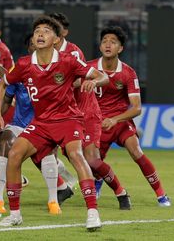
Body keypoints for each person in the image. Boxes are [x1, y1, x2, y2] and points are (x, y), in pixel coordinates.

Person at [0, 16, 108, 231]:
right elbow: (2, 83)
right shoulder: (24, 64)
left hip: (68, 119)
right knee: (14, 155)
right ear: (33, 40)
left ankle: (92, 212)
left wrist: (93, 80)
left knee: (75, 155)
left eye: (46, 31)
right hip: (42, 122)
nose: (40, 34)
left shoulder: (69, 60)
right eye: (37, 32)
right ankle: (15, 214)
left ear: (56, 39)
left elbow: (102, 76)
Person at [50, 13, 131, 210]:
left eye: (51, 30)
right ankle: (62, 188)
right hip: (62, 113)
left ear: (60, 34)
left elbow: (80, 79)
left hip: (85, 110)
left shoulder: (73, 53)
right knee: (54, 154)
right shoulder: (40, 54)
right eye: (43, 30)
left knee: (92, 160)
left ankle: (121, 192)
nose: (46, 34)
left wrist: (83, 82)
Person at [0, 35, 74, 216]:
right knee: (4, 143)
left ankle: (53, 201)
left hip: (45, 125)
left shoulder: (58, 70)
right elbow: (6, 97)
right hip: (20, 125)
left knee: (48, 154)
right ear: (29, 49)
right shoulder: (21, 69)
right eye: (33, 45)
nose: (37, 48)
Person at [88, 26, 171, 207]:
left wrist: (115, 119)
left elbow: (136, 108)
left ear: (120, 48)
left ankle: (161, 195)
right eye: (104, 41)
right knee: (94, 163)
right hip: (97, 124)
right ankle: (100, 179)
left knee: (136, 152)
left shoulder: (128, 73)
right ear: (100, 46)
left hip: (120, 121)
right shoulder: (89, 68)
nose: (108, 45)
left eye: (113, 42)